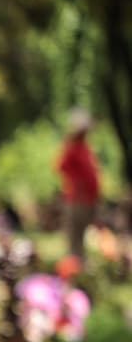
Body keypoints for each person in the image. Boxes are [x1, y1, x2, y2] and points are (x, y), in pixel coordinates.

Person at [56, 108, 101, 261]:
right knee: (75, 239)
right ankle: (75, 270)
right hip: (77, 199)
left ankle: (83, 267)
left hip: (88, 200)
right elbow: (60, 166)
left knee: (84, 236)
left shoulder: (85, 148)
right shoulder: (72, 148)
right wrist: (78, 182)